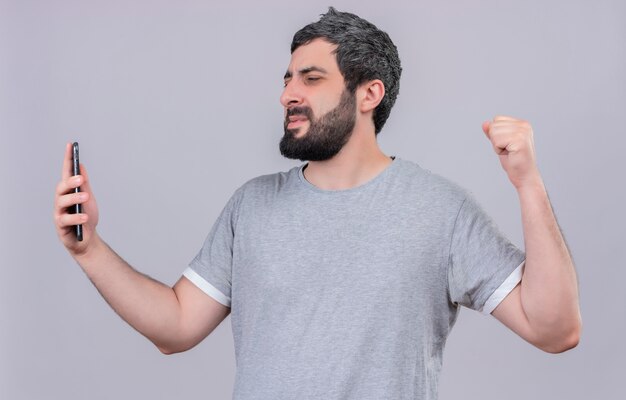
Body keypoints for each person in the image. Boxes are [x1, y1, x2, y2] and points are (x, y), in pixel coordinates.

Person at [53, 7, 581, 400]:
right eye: (287, 79)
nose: (287, 94)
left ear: (368, 94)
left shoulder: (441, 210)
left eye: (311, 78)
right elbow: (175, 328)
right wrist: (89, 250)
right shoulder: (252, 207)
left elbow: (555, 330)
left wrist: (527, 183)